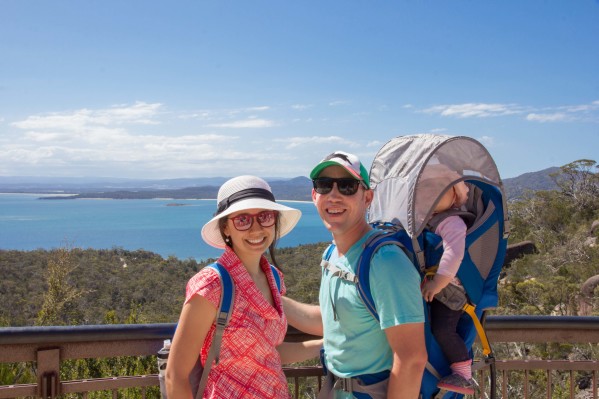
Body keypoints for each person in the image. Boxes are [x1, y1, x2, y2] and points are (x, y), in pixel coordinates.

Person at [283, 151, 427, 399]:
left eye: (348, 186)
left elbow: (411, 359)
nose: (334, 195)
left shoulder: (386, 262)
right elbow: (332, 321)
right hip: (336, 388)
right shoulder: (332, 255)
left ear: (367, 197)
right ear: (314, 195)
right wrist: (266, 294)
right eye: (325, 185)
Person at [166, 175, 322, 399]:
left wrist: (323, 346)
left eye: (265, 217)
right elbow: (175, 375)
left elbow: (268, 352)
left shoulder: (274, 279)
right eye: (242, 220)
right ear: (226, 228)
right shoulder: (212, 285)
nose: (256, 229)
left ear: (274, 222)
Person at [418, 163, 475, 395]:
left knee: (443, 329)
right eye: (427, 190)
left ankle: (463, 373)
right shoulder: (431, 220)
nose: (432, 194)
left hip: (450, 290)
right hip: (438, 288)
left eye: (440, 189)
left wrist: (438, 282)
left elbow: (454, 254)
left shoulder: (452, 221)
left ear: (454, 195)